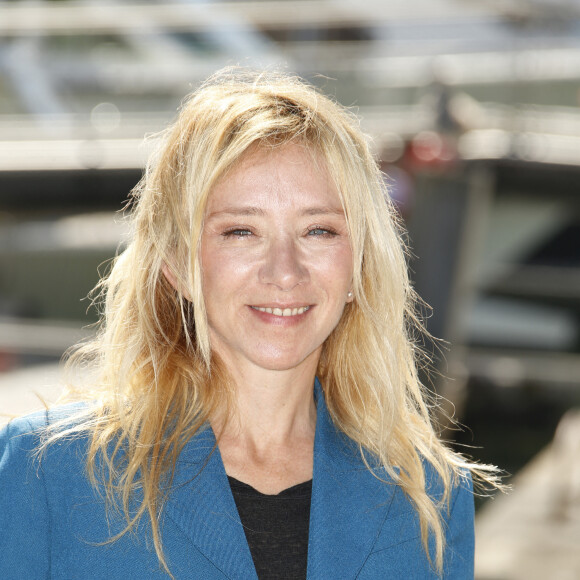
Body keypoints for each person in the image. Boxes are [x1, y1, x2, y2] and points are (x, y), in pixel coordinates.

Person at [0, 68, 496, 579]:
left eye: (318, 230)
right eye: (241, 231)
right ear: (176, 263)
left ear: (361, 263)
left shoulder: (428, 499)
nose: (284, 271)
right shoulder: (45, 476)